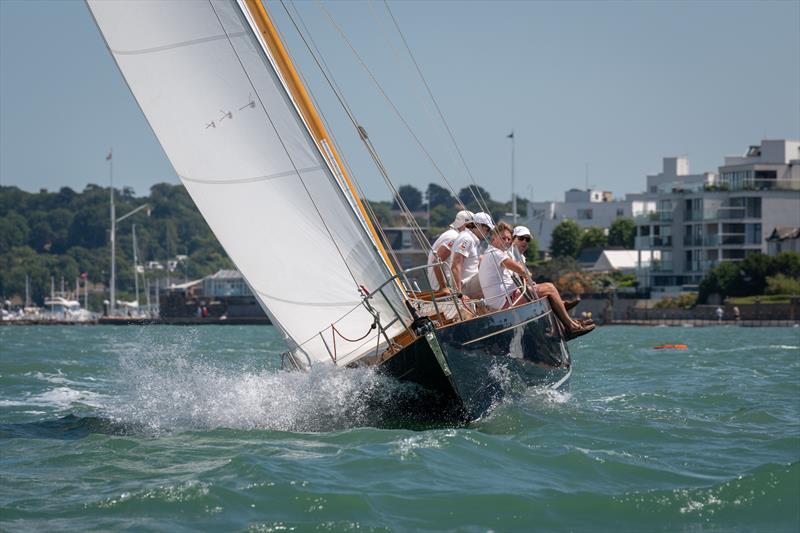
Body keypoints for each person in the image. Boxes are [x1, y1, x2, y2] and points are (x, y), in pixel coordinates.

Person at [479, 222, 595, 340]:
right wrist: (526, 275)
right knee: (549, 288)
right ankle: (571, 326)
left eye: (509, 239)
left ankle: (569, 325)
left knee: (545, 296)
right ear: (493, 237)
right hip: (504, 302)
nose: (507, 241)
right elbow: (520, 270)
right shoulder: (495, 253)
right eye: (503, 238)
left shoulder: (493, 252)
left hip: (505, 298)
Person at [426, 210, 473, 291]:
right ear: (464, 225)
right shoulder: (454, 237)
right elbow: (436, 262)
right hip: (443, 286)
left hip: (442, 283)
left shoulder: (452, 234)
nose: (473, 229)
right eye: (471, 226)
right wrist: (443, 287)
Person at [450, 212, 494, 299]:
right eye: (487, 229)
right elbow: (456, 265)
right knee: (492, 271)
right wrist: (459, 294)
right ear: (478, 225)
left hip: (470, 285)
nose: (488, 233)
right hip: (465, 286)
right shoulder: (467, 239)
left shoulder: (472, 240)